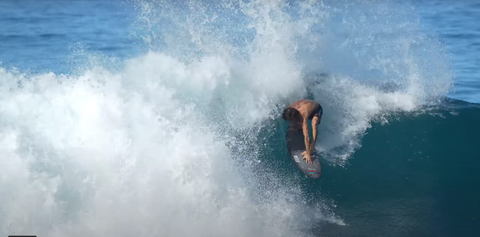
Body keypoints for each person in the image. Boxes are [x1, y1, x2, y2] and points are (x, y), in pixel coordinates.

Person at [282, 99, 323, 164]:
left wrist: (308, 152)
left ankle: (312, 147)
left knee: (314, 123)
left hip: (316, 110)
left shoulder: (303, 115)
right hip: (305, 106)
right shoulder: (290, 108)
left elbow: (306, 137)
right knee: (295, 123)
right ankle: (297, 127)